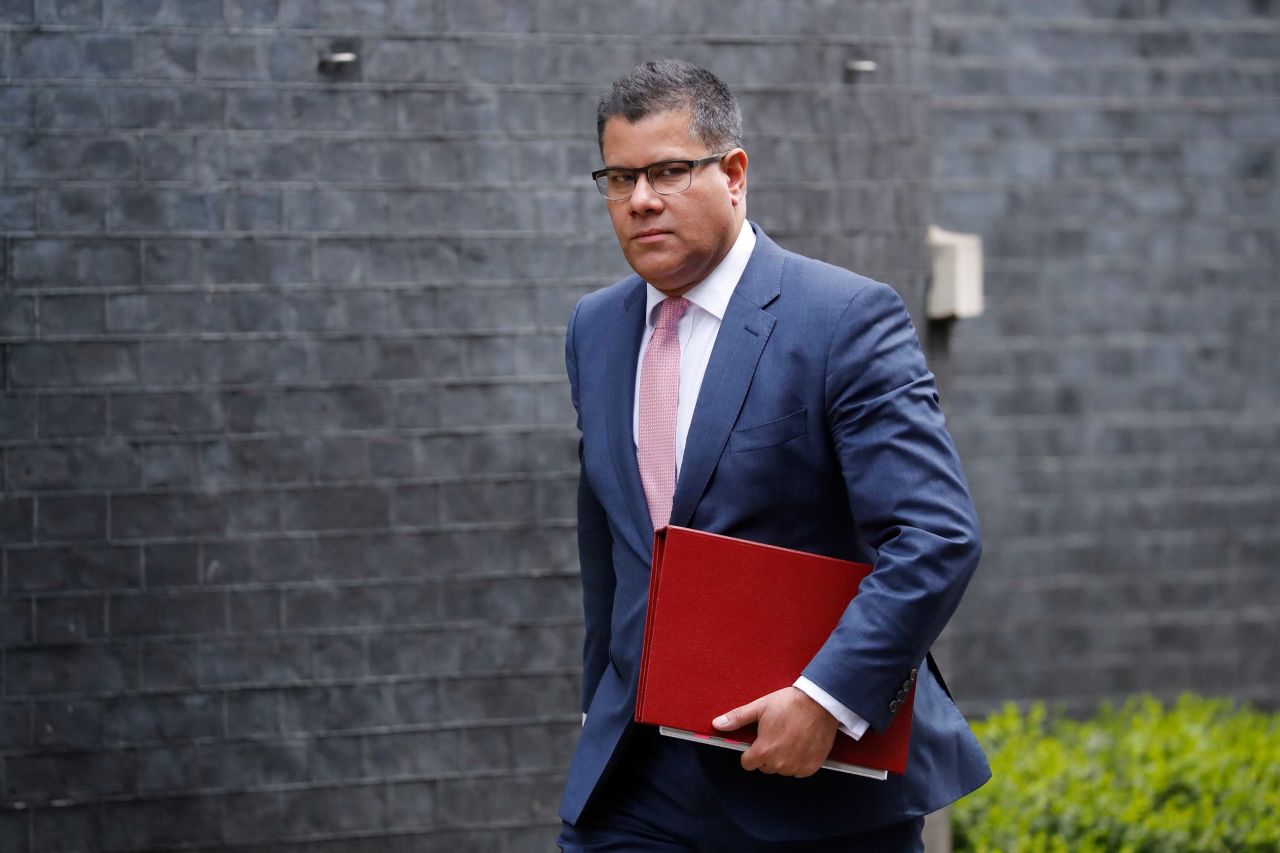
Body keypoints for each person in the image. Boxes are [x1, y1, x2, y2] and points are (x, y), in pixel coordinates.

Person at [558, 59, 990, 852]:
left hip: (810, 786)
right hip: (633, 787)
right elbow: (609, 541)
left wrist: (827, 700)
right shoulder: (595, 328)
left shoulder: (843, 320)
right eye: (619, 178)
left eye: (667, 171)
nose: (641, 199)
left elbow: (937, 535)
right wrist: (600, 706)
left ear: (733, 173)